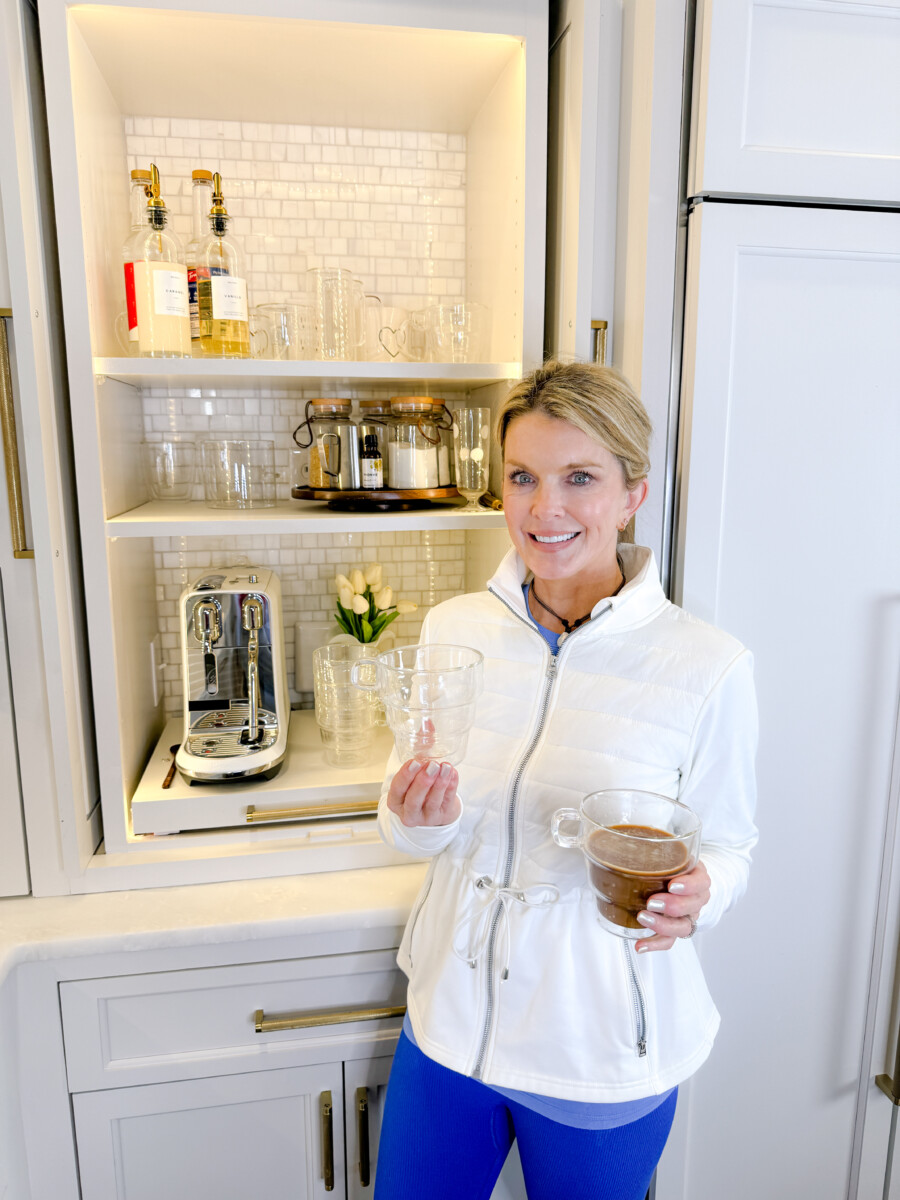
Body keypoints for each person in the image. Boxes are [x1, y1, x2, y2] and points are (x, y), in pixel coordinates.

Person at [374, 361, 758, 1200]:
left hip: (598, 1048)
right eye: (522, 478)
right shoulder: (454, 628)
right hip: (449, 1027)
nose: (544, 509)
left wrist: (703, 895)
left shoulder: (706, 664)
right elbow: (409, 822)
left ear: (632, 495)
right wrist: (415, 816)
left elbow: (729, 845)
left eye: (579, 478)